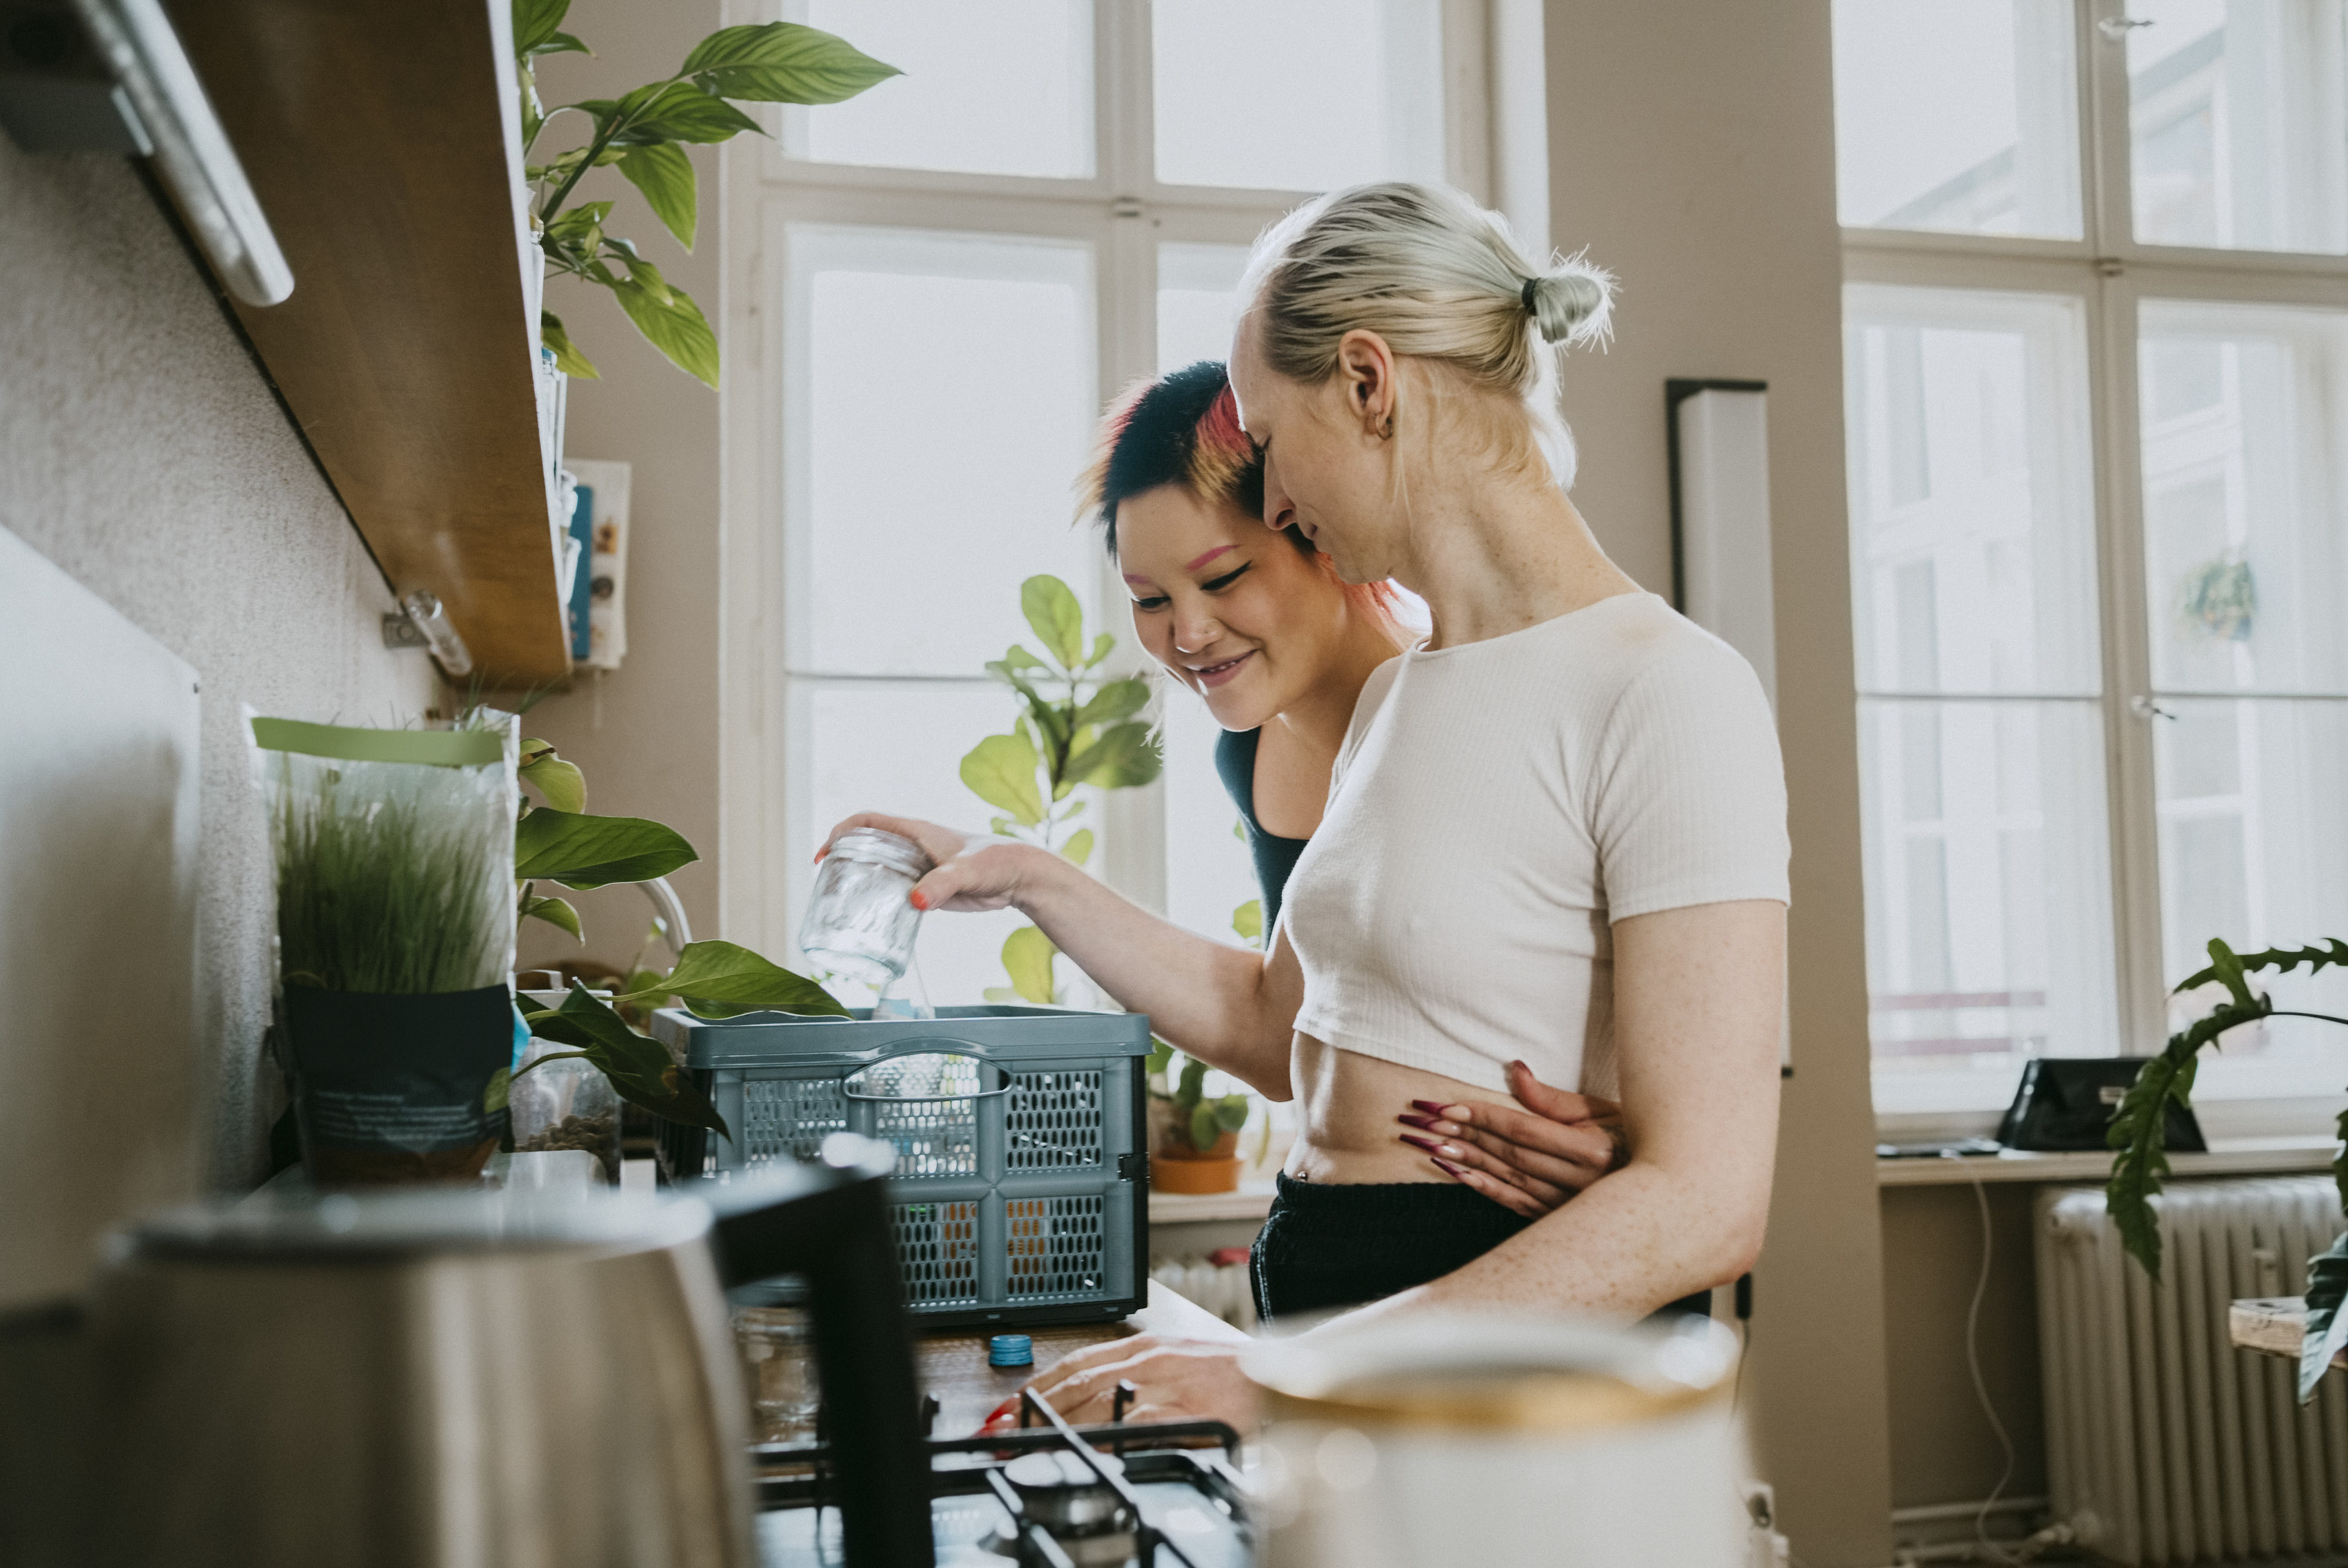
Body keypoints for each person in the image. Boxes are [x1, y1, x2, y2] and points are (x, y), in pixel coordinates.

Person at [826, 181, 1788, 1430]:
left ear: (1370, 384)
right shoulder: (1402, 701)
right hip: (1340, 1318)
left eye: (1271, 440)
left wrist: (1280, 1376)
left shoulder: (1668, 689)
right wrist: (1028, 874)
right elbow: (1284, 1021)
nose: (1273, 499)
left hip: (1490, 1373)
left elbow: (1708, 1201)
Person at [1080, 361, 1633, 1224]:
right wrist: (1024, 877)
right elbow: (1280, 1038)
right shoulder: (1253, 749)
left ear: (1321, 536)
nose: (1186, 634)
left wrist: (1638, 1135)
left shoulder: (1482, 713)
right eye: (1149, 599)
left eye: (1223, 579)